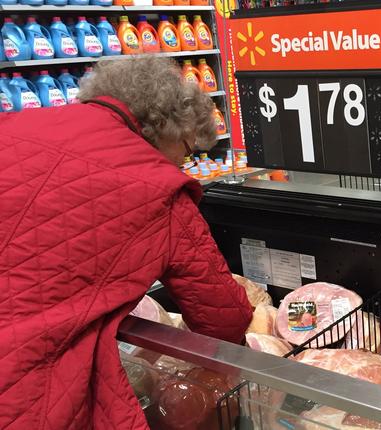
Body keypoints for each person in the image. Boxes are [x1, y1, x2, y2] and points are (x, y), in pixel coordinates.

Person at [0, 57, 253, 429]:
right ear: (165, 128)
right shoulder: (158, 187)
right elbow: (223, 316)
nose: (184, 162)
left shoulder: (13, 127)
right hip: (31, 393)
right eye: (187, 148)